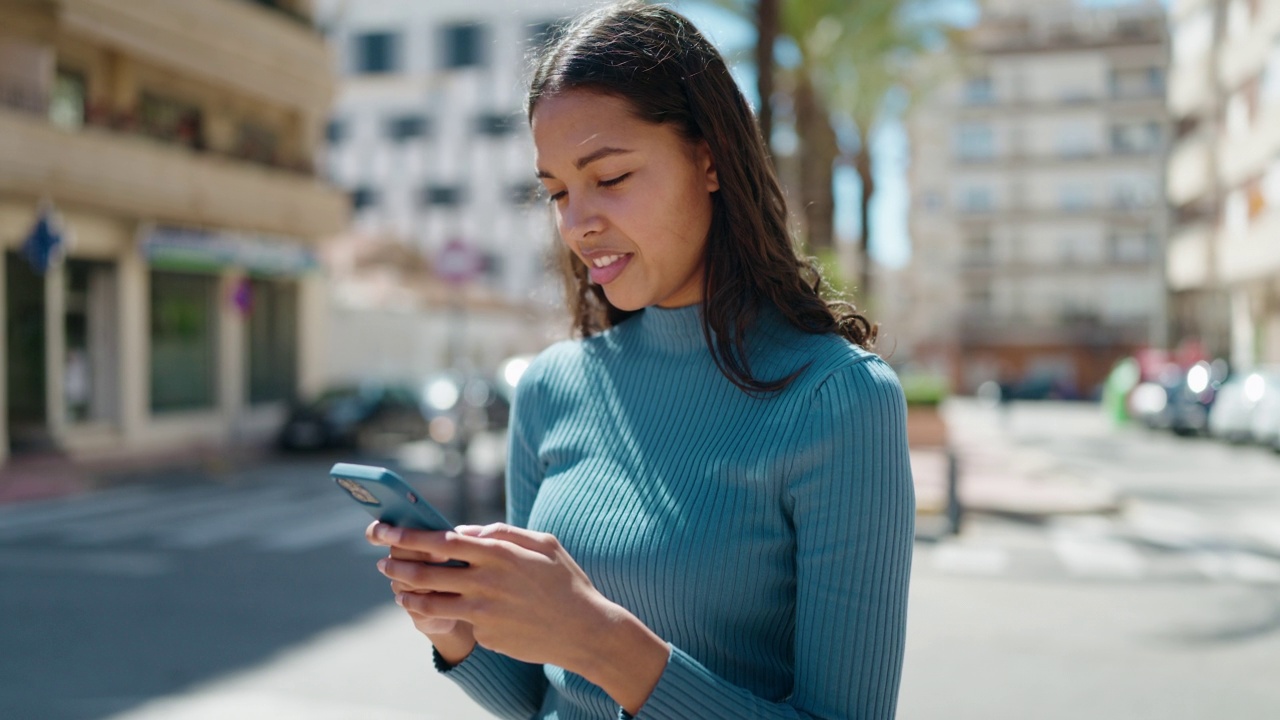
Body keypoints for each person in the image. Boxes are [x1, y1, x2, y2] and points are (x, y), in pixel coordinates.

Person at [367, 3, 915, 718]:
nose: (576, 221)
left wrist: (598, 640)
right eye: (558, 191)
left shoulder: (837, 400)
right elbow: (542, 702)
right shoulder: (549, 388)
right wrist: (454, 629)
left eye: (611, 177)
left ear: (709, 157)